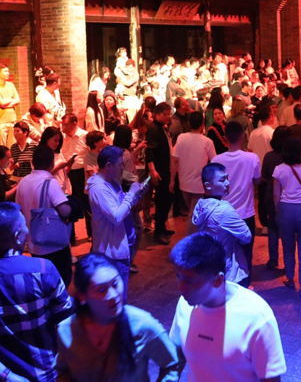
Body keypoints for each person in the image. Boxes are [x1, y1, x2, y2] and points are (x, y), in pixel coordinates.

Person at [0, 202, 73, 382]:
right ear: (17, 237)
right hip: (44, 372)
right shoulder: (43, 269)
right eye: (25, 225)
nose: (28, 229)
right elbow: (66, 320)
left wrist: (7, 376)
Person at [169, 233, 286, 382]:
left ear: (218, 280)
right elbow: (175, 356)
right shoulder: (184, 304)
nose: (181, 288)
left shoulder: (257, 317)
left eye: (190, 281)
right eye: (178, 277)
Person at [56, 252, 181, 381]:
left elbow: (171, 364)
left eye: (115, 284)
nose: (113, 295)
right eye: (101, 290)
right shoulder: (66, 330)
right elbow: (63, 371)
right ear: (82, 296)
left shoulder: (142, 324)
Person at [87, 146, 148, 290]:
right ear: (108, 165)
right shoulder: (98, 188)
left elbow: (122, 208)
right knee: (116, 295)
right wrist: (131, 194)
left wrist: (137, 195)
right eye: (120, 164)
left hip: (119, 248)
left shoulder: (113, 182)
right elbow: (116, 216)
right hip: (110, 254)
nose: (122, 167)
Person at [15, 146, 73, 286]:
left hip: (34, 242)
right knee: (61, 279)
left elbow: (19, 209)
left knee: (44, 281)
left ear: (32, 162)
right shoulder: (50, 182)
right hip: (53, 243)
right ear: (52, 163)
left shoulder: (23, 182)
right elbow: (64, 211)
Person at [212, 120, 261, 280]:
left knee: (223, 251)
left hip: (222, 214)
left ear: (225, 137)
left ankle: (224, 284)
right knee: (245, 252)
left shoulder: (216, 160)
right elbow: (257, 180)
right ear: (243, 136)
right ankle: (244, 284)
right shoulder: (252, 158)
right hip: (245, 214)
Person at [191, 163, 253, 285]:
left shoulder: (200, 204)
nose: (227, 183)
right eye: (222, 180)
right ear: (208, 186)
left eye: (227, 178)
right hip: (228, 270)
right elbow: (247, 236)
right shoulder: (224, 210)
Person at [273, 137, 301, 290]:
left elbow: (276, 194)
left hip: (286, 208)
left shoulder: (279, 169)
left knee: (288, 246)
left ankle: (290, 277)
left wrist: (278, 210)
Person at [172, 110, 216, 230]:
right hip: (199, 184)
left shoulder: (181, 138)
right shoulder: (207, 142)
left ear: (189, 123)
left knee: (193, 212)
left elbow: (175, 159)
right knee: (194, 214)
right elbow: (215, 162)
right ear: (202, 124)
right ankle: (192, 238)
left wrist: (172, 180)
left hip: (184, 183)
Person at [260, 126, 291, 272]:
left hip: (271, 195)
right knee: (287, 230)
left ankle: (273, 259)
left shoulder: (269, 156)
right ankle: (288, 262)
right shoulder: (292, 158)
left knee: (272, 226)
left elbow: (264, 177)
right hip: (288, 196)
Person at [145, 102, 175, 244]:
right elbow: (149, 151)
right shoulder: (153, 129)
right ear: (157, 114)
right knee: (162, 200)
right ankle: (158, 232)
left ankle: (162, 227)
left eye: (169, 114)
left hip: (166, 167)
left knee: (167, 199)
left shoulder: (163, 127)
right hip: (160, 170)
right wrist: (153, 170)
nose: (168, 116)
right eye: (164, 114)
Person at [0, 64, 20, 148]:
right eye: (5, 71)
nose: (8, 73)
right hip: (0, 122)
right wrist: (11, 99)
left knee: (12, 148)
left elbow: (18, 100)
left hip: (12, 120)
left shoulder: (11, 85)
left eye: (8, 71)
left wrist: (5, 104)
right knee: (2, 149)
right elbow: (1, 102)